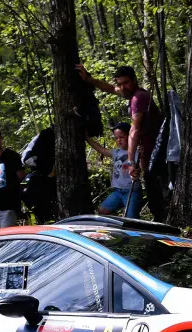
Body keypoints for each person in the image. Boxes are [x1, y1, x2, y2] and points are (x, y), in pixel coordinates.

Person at [75, 64, 165, 220]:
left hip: (155, 152)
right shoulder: (131, 93)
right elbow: (110, 89)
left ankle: (162, 223)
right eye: (120, 83)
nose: (122, 87)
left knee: (156, 191)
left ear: (134, 80)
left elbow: (134, 130)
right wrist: (88, 79)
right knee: (153, 190)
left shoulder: (138, 98)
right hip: (148, 153)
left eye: (126, 83)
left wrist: (130, 161)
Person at [86, 122, 143, 218]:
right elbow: (101, 150)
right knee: (102, 211)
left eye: (121, 137)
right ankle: (118, 222)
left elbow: (141, 167)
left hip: (132, 191)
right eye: (116, 138)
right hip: (117, 191)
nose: (118, 140)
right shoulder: (116, 152)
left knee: (131, 219)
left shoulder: (136, 153)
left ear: (130, 136)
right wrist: (87, 138)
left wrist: (138, 170)